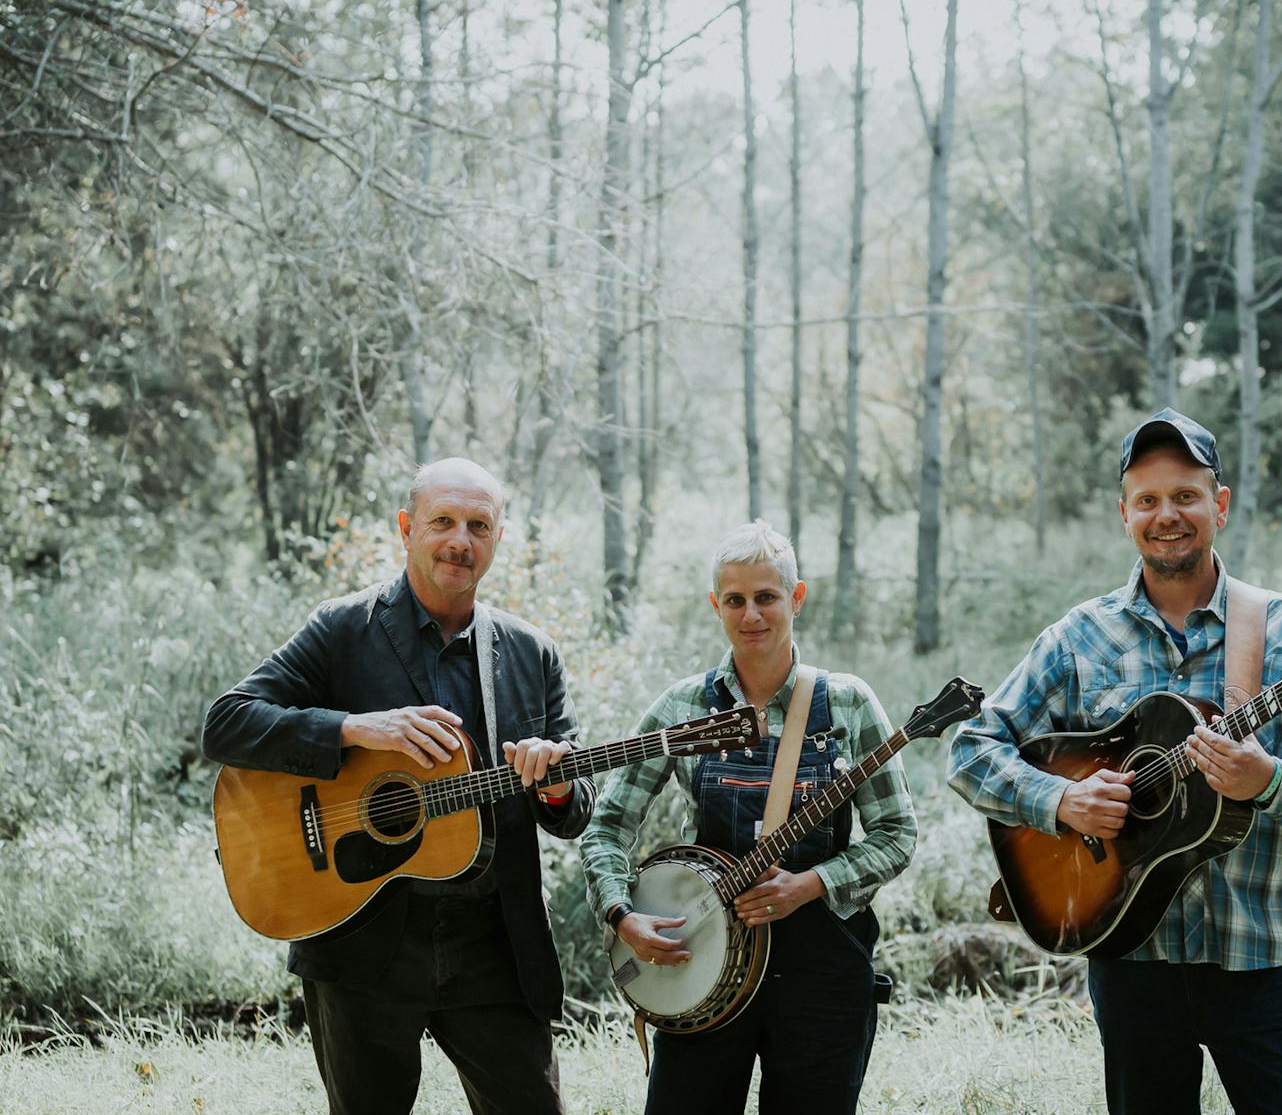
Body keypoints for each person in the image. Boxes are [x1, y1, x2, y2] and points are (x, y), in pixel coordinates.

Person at [946, 408, 1282, 1115]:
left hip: (1259, 951)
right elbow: (971, 748)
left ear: (1219, 506)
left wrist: (1268, 781)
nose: (1166, 515)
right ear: (1125, 514)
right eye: (1148, 500)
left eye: (1185, 496)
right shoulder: (1079, 636)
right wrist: (1059, 800)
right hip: (1130, 956)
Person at [204, 457, 595, 1115]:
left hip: (493, 944)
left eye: (479, 525)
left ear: (498, 539)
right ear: (407, 528)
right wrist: (355, 729)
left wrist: (552, 783)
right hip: (361, 943)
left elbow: (573, 810)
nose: (458, 541)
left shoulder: (532, 652)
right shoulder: (340, 629)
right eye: (442, 521)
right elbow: (226, 723)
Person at [580, 520, 917, 1115]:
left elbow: (896, 835)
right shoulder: (681, 707)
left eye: (767, 596)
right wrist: (621, 914)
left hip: (822, 968)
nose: (751, 614)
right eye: (734, 600)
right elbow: (608, 825)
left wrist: (811, 884)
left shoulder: (848, 702)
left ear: (797, 598)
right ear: (716, 604)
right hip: (702, 967)